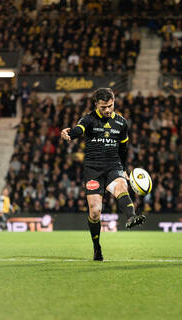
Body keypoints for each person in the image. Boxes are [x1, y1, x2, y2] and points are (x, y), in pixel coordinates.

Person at [61, 88, 145, 261]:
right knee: (95, 212)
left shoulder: (121, 123)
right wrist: (68, 134)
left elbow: (123, 149)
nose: (107, 110)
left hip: (113, 166)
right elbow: (79, 129)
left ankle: (131, 217)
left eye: (110, 106)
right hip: (93, 169)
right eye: (103, 107)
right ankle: (97, 247)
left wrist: (123, 169)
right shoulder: (89, 119)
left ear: (114, 102)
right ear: (96, 105)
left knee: (121, 185)